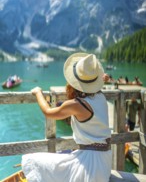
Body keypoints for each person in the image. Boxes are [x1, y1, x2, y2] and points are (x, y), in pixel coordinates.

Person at [22, 53, 112, 182]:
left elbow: (48, 112)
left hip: (91, 165)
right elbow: (98, 85)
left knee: (32, 160)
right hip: (104, 161)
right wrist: (103, 79)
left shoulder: (76, 104)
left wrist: (38, 93)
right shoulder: (100, 96)